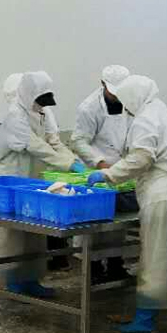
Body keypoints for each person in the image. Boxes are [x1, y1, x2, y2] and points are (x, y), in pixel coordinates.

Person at [88, 75, 167, 333]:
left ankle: (145, 321)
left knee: (155, 259)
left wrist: (109, 174)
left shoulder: (145, 118)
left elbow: (142, 158)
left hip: (162, 193)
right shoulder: (162, 111)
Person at [0, 71, 76, 297]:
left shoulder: (40, 111)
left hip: (31, 178)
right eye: (40, 100)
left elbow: (53, 141)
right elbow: (35, 145)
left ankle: (31, 279)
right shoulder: (15, 115)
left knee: (34, 232)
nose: (43, 105)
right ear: (28, 95)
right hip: (10, 177)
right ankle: (12, 281)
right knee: (12, 235)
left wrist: (74, 160)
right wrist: (68, 164)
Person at [71, 65, 131, 282]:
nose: (117, 96)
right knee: (94, 222)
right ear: (103, 84)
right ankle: (92, 268)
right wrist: (100, 163)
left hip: (120, 169)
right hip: (95, 169)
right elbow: (79, 141)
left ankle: (115, 264)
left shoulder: (130, 103)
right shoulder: (89, 108)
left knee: (116, 224)